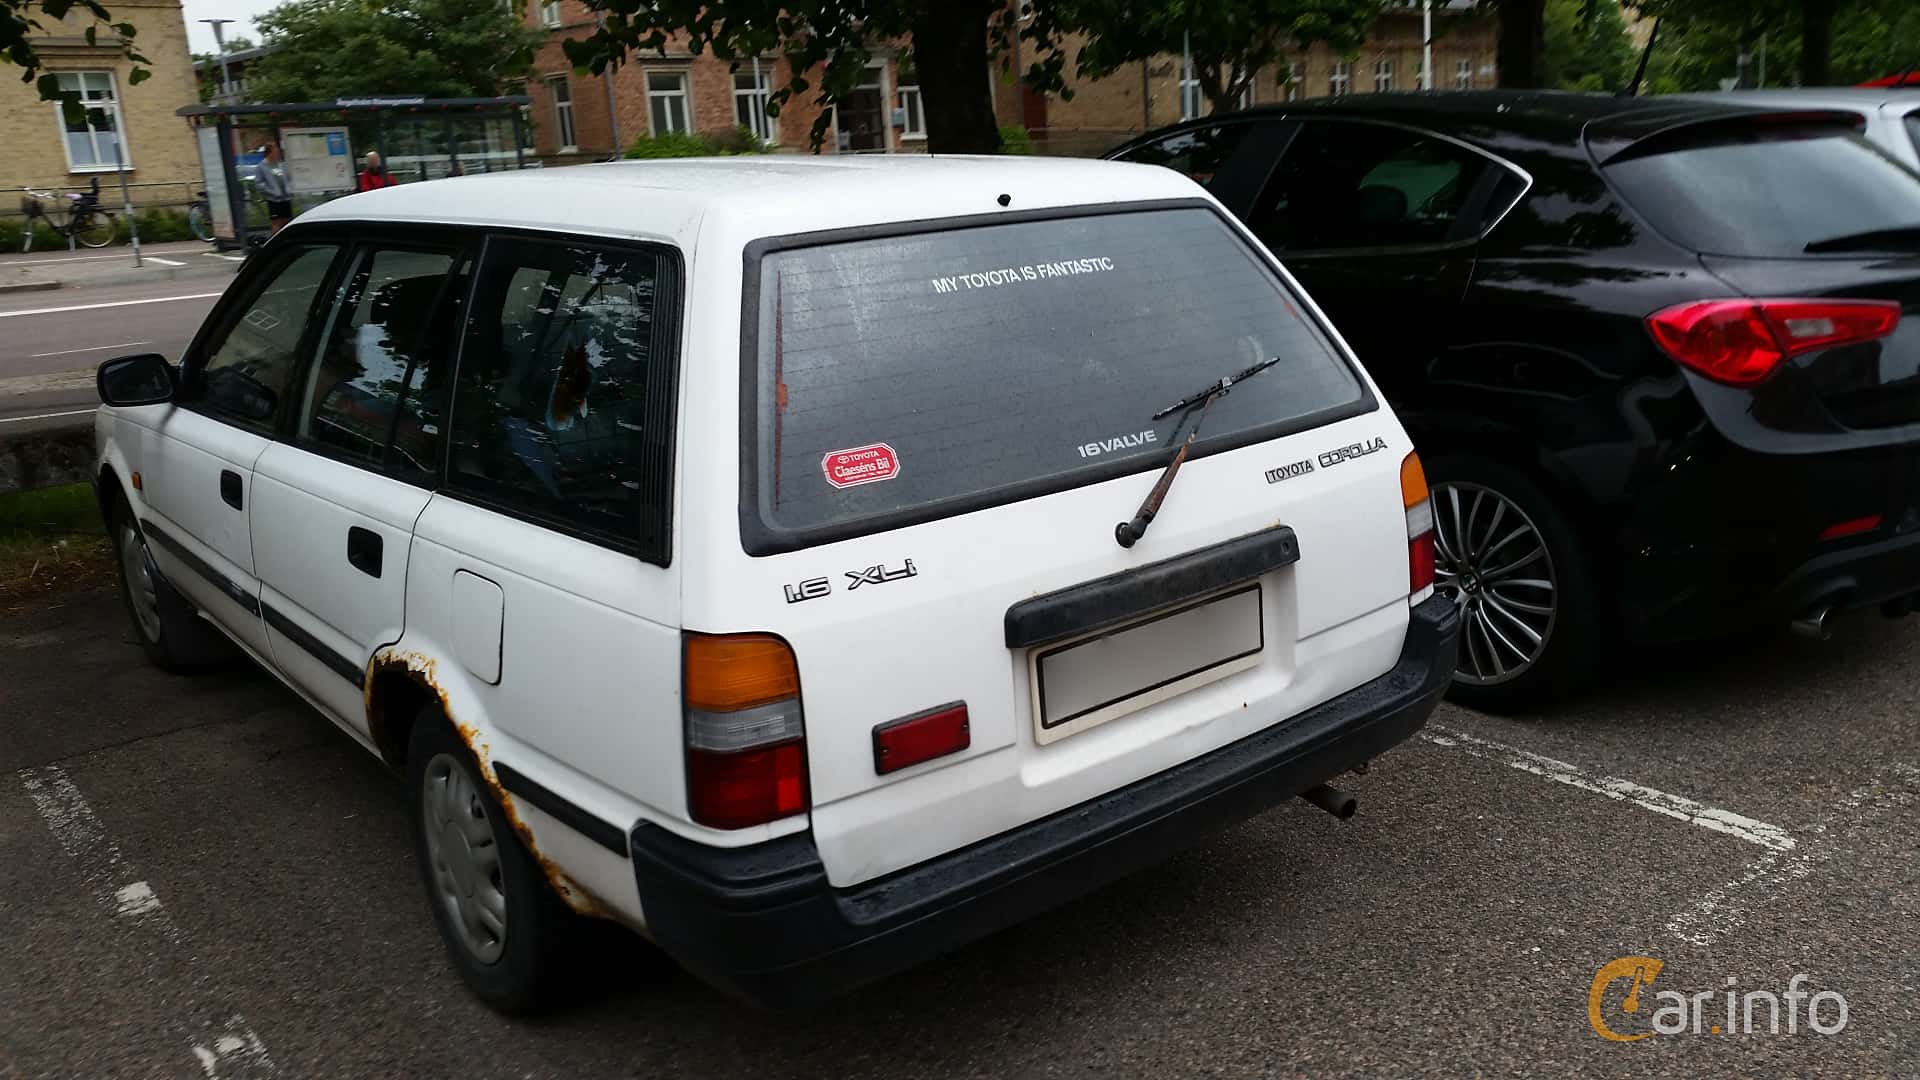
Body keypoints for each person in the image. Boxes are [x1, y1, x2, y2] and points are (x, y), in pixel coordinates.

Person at [253, 143, 293, 235]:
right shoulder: (261, 166)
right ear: (269, 153)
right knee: (276, 221)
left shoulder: (281, 164)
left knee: (287, 220)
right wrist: (270, 191)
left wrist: (289, 188)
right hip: (274, 199)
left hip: (286, 197)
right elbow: (258, 183)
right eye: (275, 152)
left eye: (277, 152)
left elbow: (288, 178)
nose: (277, 154)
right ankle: (277, 238)